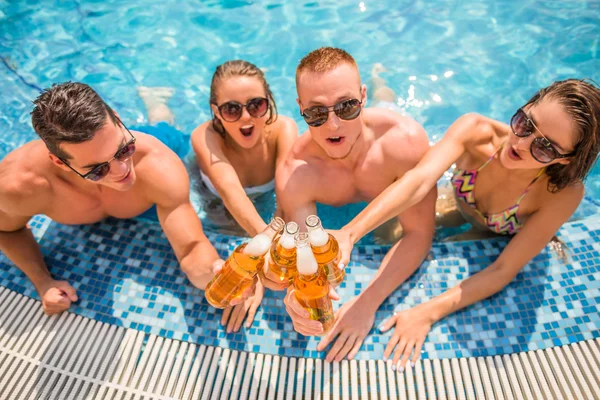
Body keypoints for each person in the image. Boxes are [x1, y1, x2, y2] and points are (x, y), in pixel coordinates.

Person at [337, 79, 600, 371]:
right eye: (526, 123)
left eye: (545, 148)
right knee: (387, 233)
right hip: (459, 204)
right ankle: (382, 84)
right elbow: (419, 181)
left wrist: (426, 313)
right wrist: (350, 232)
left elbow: (503, 269)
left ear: (565, 160)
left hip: (501, 230)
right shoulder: (478, 133)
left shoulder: (562, 194)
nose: (521, 143)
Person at [0, 82, 249, 319]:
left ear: (117, 120)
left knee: (167, 129)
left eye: (123, 150)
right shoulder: (20, 186)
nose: (121, 172)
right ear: (60, 162)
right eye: (97, 170)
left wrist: (215, 272)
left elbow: (191, 248)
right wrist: (43, 282)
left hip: (158, 141)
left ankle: (156, 105)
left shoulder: (157, 164)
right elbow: (6, 230)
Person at [273, 47, 437, 362]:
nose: (333, 125)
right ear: (300, 108)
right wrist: (298, 295)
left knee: (387, 96)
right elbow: (307, 253)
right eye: (317, 113)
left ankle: (378, 80)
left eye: (347, 106)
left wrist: (367, 302)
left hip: (383, 130)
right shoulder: (296, 173)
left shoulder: (402, 142)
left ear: (362, 98)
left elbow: (418, 234)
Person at [191, 60, 298, 332]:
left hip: (262, 207)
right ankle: (158, 106)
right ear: (216, 111)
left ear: (269, 102)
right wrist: (259, 263)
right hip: (215, 197)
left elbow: (287, 198)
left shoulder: (283, 131)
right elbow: (231, 194)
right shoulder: (205, 137)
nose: (246, 118)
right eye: (231, 109)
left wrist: (261, 263)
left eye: (256, 105)